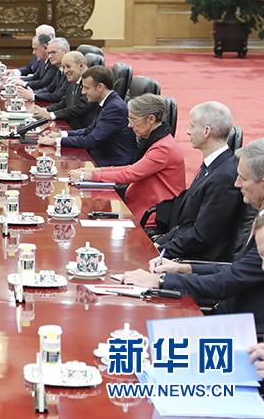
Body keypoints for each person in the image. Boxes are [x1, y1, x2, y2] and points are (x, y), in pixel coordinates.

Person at [123, 138, 264, 333]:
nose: (236, 183)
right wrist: (182, 268)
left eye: (243, 179)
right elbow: (237, 269)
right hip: (227, 314)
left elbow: (226, 283)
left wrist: (160, 281)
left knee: (142, 328)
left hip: (242, 329)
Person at [153, 102, 252, 262]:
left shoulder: (224, 176)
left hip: (197, 261)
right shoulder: (213, 165)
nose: (188, 131)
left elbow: (201, 237)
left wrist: (159, 251)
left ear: (206, 131)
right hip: (183, 248)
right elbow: (186, 225)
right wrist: (158, 244)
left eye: (192, 126)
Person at [68, 94, 185, 219]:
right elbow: (132, 168)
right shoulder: (157, 140)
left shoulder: (163, 148)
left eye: (133, 120)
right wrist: (95, 170)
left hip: (153, 215)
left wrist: (86, 176)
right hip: (141, 204)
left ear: (151, 119)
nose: (129, 125)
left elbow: (129, 174)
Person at [38, 66, 137, 167]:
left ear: (100, 87)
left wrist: (55, 141)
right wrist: (60, 135)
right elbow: (89, 130)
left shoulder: (115, 108)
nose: (83, 92)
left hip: (113, 163)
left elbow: (91, 140)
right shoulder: (107, 102)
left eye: (86, 88)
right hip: (100, 157)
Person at [32, 51, 97, 130]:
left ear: (81, 65)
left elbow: (79, 108)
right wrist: (43, 110)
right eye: (63, 68)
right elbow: (63, 103)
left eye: (68, 66)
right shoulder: (75, 80)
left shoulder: (91, 84)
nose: (65, 71)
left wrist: (51, 115)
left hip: (81, 131)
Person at [17, 38, 70, 102]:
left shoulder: (70, 71)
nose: (50, 56)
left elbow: (57, 97)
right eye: (49, 53)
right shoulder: (60, 69)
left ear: (65, 52)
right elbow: (50, 89)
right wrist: (32, 94)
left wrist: (33, 96)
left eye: (53, 52)